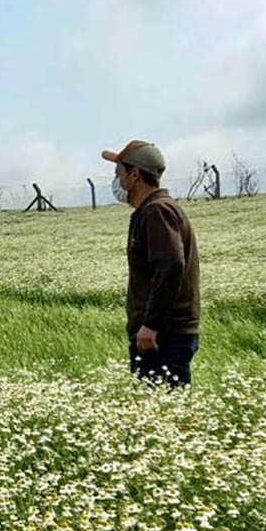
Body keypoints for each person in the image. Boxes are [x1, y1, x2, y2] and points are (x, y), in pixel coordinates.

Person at [102, 140, 201, 386]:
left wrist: (151, 325)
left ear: (134, 174)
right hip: (161, 334)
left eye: (119, 172)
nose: (117, 180)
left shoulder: (156, 211)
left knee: (165, 412)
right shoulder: (155, 209)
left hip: (162, 336)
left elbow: (171, 265)